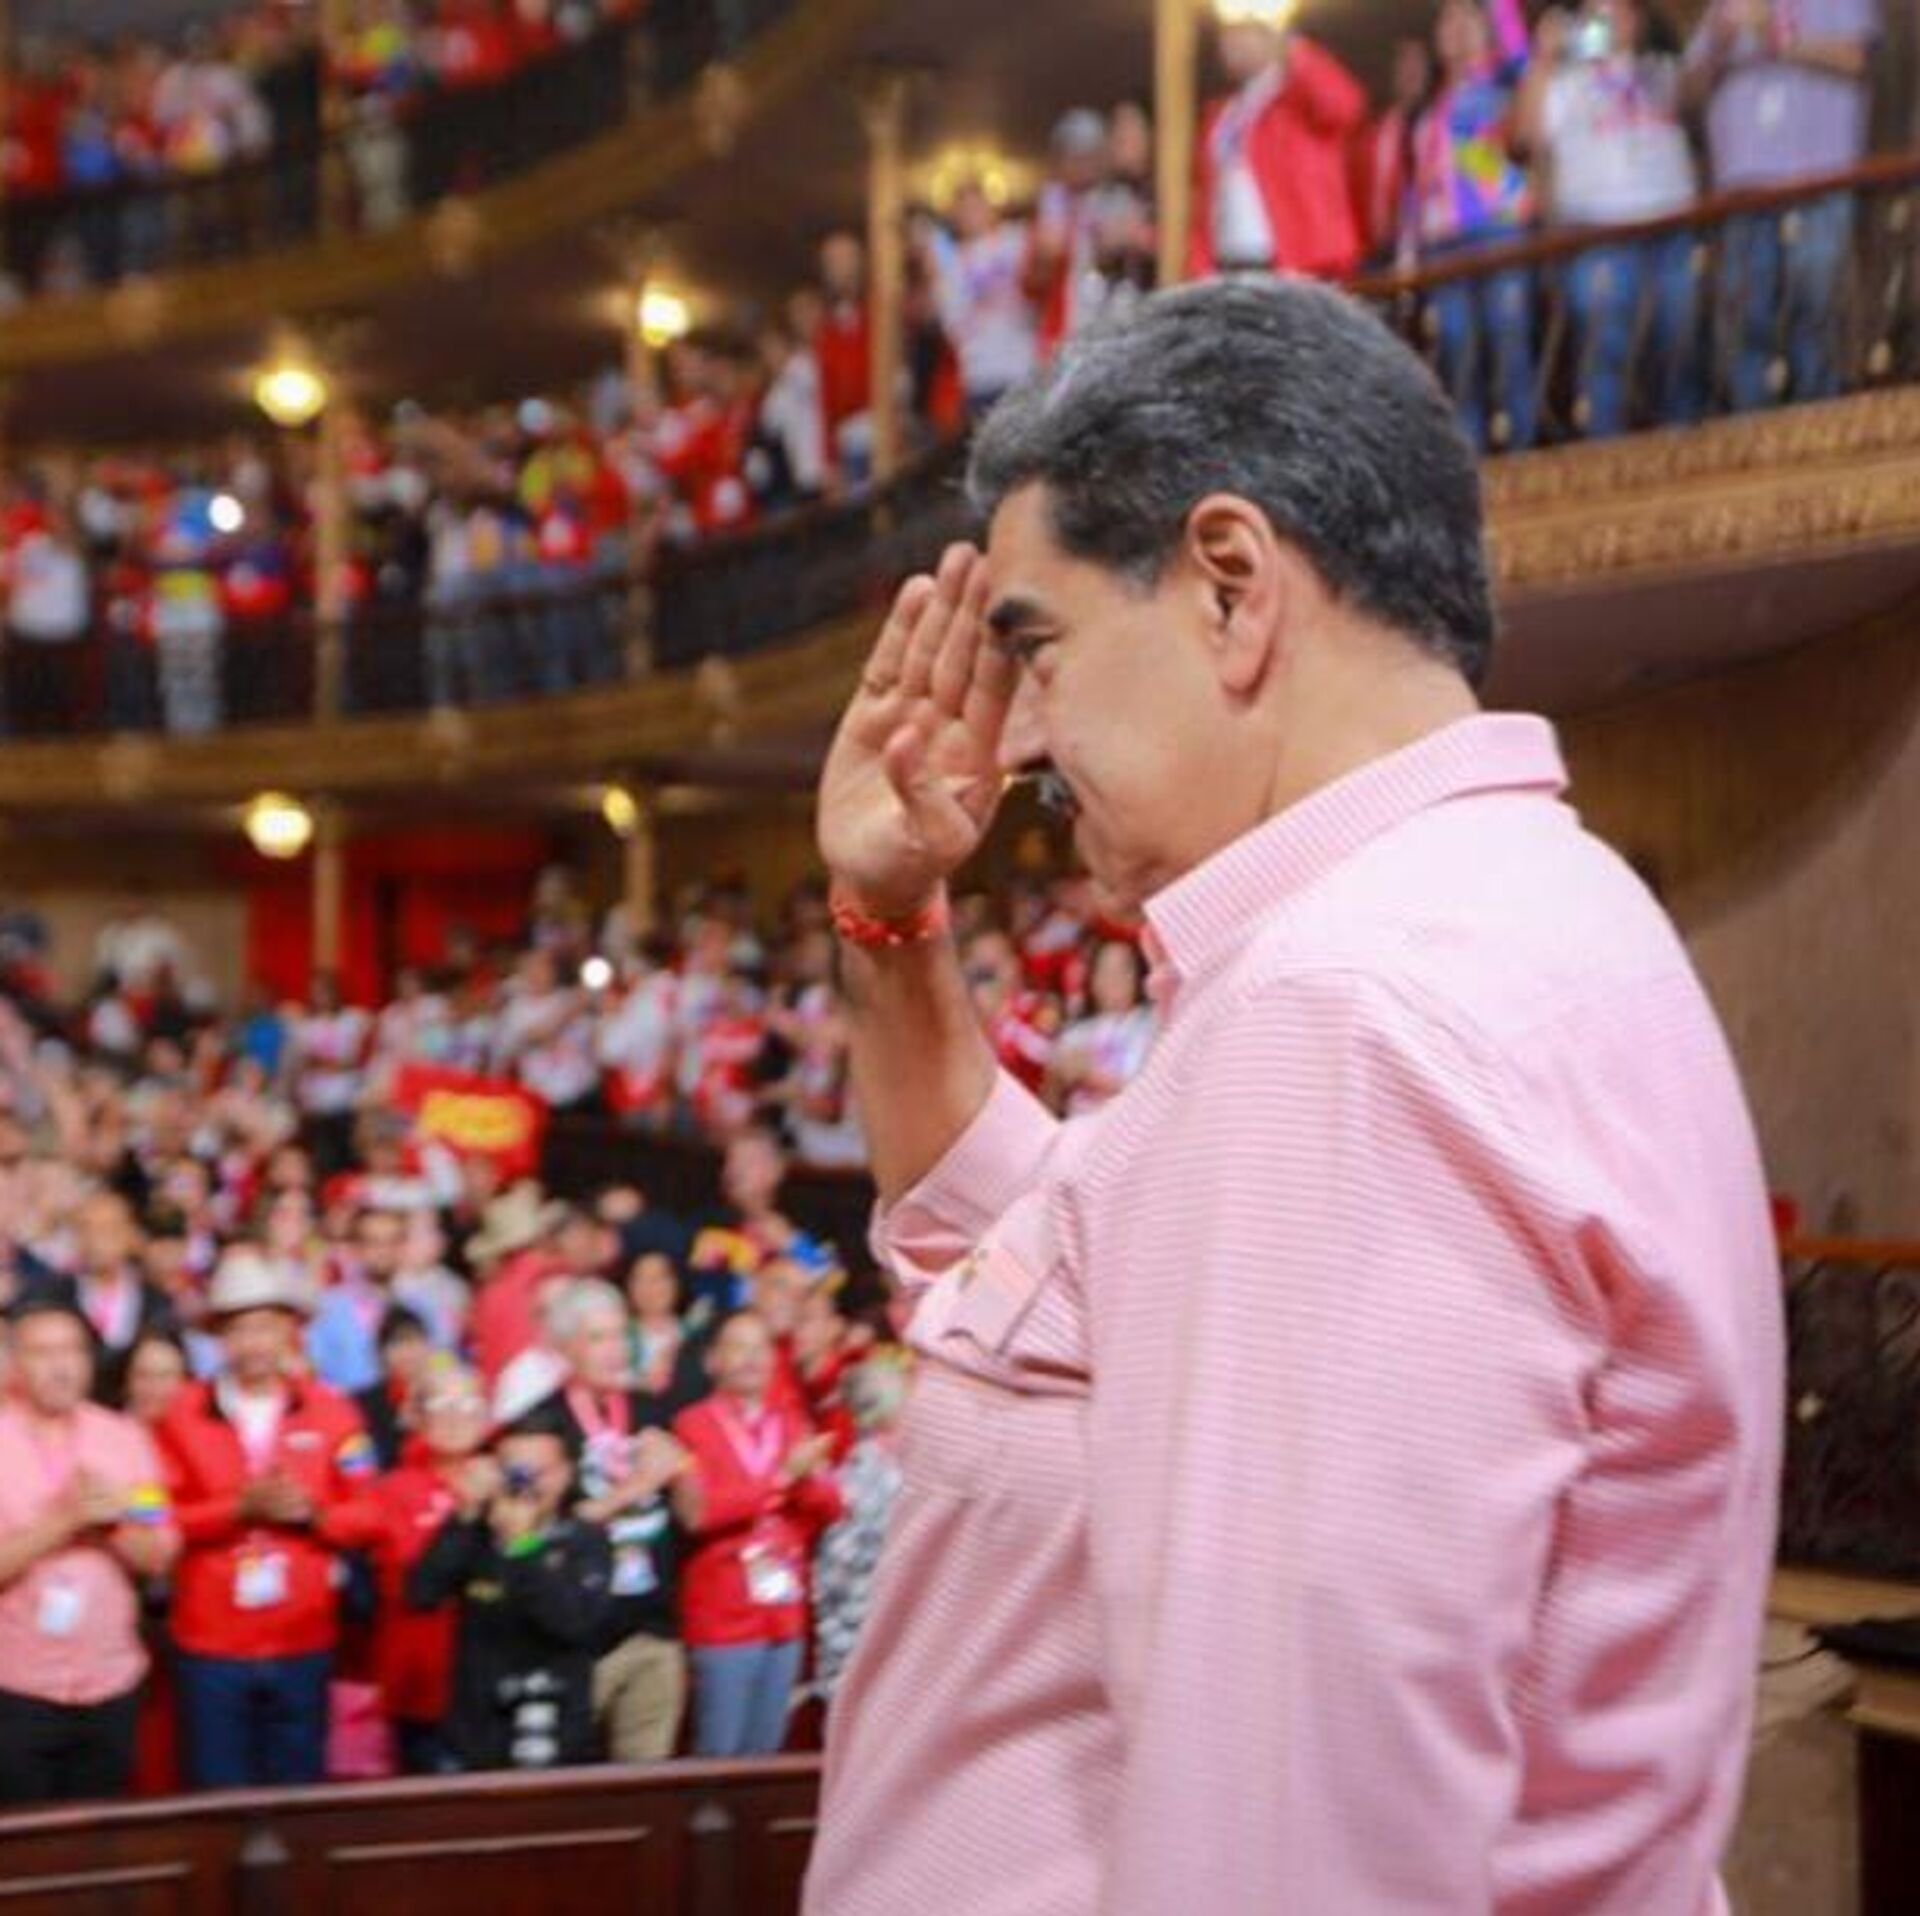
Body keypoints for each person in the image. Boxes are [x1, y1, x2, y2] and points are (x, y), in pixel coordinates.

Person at [803, 277, 1782, 1913]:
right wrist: (891, 921)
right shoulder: (1499, 905)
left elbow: (1285, 1847)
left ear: (1231, 586)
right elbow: (1033, 1277)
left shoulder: (1338, 1014)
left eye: (1037, 646)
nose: (1016, 735)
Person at [156, 1248, 382, 1789]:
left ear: (290, 1331)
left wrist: (314, 1515)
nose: (254, 1343)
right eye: (239, 1329)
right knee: (216, 1798)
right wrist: (237, 1510)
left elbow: (371, 1514)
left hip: (302, 1637)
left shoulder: (334, 1411)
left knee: (298, 1800)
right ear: (218, 1336)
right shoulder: (180, 1413)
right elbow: (159, 1519)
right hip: (211, 1643)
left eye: (266, 1327)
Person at [0, 1298, 179, 1806]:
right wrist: (64, 1521)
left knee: (102, 1839)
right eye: (42, 1352)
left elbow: (159, 1553)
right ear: (14, 1363)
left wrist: (114, 1524)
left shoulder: (126, 1438)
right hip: (18, 1688)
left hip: (111, 1681)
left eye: (73, 1351)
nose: (61, 1366)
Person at [521, 1278, 694, 1763]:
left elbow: (692, 1513)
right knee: (572, 1786)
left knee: (646, 1785)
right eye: (597, 1338)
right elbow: (537, 1528)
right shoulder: (543, 1423)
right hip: (579, 1639)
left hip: (653, 1628)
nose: (614, 1350)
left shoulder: (652, 1409)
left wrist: (682, 1469)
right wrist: (636, 1487)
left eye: (620, 1335)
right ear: (563, 1347)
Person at [1517, 0, 1703, 436]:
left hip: (1670, 226)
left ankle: (1689, 445)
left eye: (1620, 10)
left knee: (1680, 345)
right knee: (1605, 354)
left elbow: (1698, 94)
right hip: (1598, 234)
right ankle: (1608, 452)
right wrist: (1543, 58)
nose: (1610, 21)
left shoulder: (1660, 71)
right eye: (1597, 14)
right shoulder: (1566, 83)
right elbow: (1527, 134)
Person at [1683, 0, 1875, 410]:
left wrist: (1775, 35)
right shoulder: (1723, 8)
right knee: (1743, 322)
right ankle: (1751, 431)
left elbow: (1855, 59)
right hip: (1742, 189)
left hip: (1820, 180)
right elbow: (1687, 96)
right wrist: (1718, 46)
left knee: (1818, 313)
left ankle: (1822, 425)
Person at [674, 1311, 841, 1759]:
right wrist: (781, 1480)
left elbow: (830, 1505)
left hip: (783, 1610)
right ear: (712, 1359)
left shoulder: (792, 1422)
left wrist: (805, 1482)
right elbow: (702, 1513)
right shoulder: (691, 1425)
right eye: (738, 1346)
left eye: (761, 1347)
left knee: (766, 1757)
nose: (751, 1358)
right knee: (720, 1757)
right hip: (724, 1614)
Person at [406, 1419, 614, 1772]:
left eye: (536, 1472)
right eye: (513, 1472)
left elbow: (575, 1623)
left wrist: (523, 1546)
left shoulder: (585, 1539)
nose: (523, 1484)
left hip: (555, 1725)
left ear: (565, 1475)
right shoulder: (474, 1533)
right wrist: (464, 1516)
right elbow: (421, 1594)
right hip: (478, 1729)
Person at [1410, 0, 1539, 450]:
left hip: (1497, 231)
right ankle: (1473, 458)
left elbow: (1521, 53)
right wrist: (1411, 248)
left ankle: (1525, 454)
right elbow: (1419, 186)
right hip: (1442, 242)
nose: (1457, 28)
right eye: (1447, 18)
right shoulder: (1431, 108)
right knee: (1456, 355)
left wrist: (1499, 10)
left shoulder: (1502, 81)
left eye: (1468, 17)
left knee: (1509, 344)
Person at [368, 1360, 491, 1775]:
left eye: (469, 1404)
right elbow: (417, 1583)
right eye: (441, 1404)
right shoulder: (391, 1490)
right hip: (422, 1679)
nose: (456, 1416)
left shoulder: (507, 1478)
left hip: (494, 1678)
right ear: (416, 1417)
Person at [1187, 7, 1366, 280]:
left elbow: (1345, 107)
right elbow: (1205, 198)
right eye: (1226, 33)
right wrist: (1199, 264)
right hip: (1229, 260)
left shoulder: (1297, 94)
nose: (1228, 43)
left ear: (1268, 36)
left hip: (1296, 261)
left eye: (1241, 31)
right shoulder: (1220, 114)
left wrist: (1293, 48)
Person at [810, 1355, 907, 1711]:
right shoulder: (859, 1474)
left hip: (902, 1629)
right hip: (867, 1628)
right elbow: (843, 1565)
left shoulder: (911, 1463)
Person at [25, 1187, 180, 1406]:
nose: (98, 1240)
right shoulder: (50, 1298)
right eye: (87, 1229)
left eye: (109, 1229)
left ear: (132, 1235)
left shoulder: (157, 1303)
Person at [1046, 937, 1155, 1118]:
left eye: (1123, 970)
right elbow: (1051, 1105)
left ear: (1138, 975)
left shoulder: (1152, 1023)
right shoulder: (1074, 1032)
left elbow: (1147, 1092)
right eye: (1104, 970)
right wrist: (1055, 1081)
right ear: (1092, 979)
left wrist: (1087, 1073)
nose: (1114, 979)